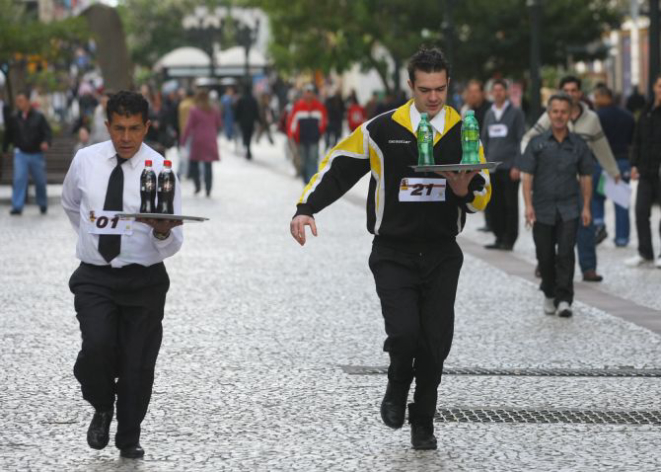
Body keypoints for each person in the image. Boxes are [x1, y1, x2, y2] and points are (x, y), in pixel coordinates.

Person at [290, 47, 491, 450]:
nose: (433, 98)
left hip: (441, 252)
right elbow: (339, 165)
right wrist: (305, 208)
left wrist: (464, 190)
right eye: (424, 89)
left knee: (435, 343)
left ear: (448, 84)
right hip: (393, 252)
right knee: (404, 333)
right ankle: (398, 382)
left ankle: (424, 418)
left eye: (439, 89)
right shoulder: (382, 128)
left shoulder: (463, 130)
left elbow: (483, 194)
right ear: (410, 86)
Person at [61, 91, 183, 459]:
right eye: (118, 128)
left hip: (144, 281)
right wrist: (91, 241)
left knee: (137, 364)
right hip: (95, 277)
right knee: (96, 348)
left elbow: (174, 238)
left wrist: (160, 230)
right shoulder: (85, 161)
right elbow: (70, 204)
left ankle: (129, 436)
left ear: (147, 126)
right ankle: (101, 403)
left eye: (134, 129)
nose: (126, 138)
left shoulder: (160, 170)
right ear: (107, 125)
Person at [521, 76, 620, 282]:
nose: (570, 94)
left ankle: (588, 267)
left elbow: (601, 145)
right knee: (551, 225)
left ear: (580, 93)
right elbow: (530, 139)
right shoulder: (551, 116)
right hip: (555, 180)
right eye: (566, 90)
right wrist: (530, 163)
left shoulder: (591, 118)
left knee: (586, 224)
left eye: (574, 90)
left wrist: (613, 170)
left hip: (582, 180)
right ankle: (546, 263)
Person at [519, 93, 593, 318]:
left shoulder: (579, 145)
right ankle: (549, 293)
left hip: (570, 208)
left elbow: (586, 177)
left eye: (563, 112)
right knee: (545, 255)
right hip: (542, 208)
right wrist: (528, 205)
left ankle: (564, 299)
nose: (559, 116)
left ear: (570, 114)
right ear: (549, 114)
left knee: (566, 253)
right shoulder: (537, 143)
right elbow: (527, 176)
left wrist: (586, 207)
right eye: (555, 111)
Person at [481, 79, 526, 250]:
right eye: (495, 90)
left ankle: (509, 238)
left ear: (506, 92)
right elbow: (485, 138)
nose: (498, 93)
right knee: (494, 204)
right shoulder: (489, 114)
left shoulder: (516, 113)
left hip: (509, 167)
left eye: (501, 90)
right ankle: (498, 236)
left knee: (510, 204)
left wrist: (517, 165)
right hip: (492, 166)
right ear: (492, 93)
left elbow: (521, 139)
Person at [593, 86, 635, 247]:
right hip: (622, 161)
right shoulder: (628, 116)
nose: (595, 100)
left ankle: (598, 225)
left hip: (600, 161)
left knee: (597, 197)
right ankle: (622, 237)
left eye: (597, 97)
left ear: (604, 97)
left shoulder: (596, 117)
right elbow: (632, 140)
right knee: (621, 201)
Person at [626, 75, 661, 268]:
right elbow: (637, 138)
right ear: (654, 88)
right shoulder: (647, 110)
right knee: (641, 211)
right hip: (646, 171)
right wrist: (634, 164)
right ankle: (645, 251)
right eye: (659, 86)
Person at [2, 90, 52, 215]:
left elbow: (47, 132)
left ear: (28, 102)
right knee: (19, 179)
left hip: (36, 154)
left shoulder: (39, 116)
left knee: (40, 181)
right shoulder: (14, 117)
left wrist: (46, 142)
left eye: (21, 101)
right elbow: (8, 134)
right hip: (20, 153)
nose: (19, 104)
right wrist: (5, 148)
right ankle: (17, 206)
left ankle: (42, 203)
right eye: (17, 101)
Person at [462, 79, 492, 233]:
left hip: (489, 153)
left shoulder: (489, 110)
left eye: (476, 92)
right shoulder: (466, 111)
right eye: (470, 92)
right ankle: (489, 222)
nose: (473, 95)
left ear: (482, 93)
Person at [180, 89, 222, 196]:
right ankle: (208, 189)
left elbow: (189, 126)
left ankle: (197, 185)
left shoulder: (194, 110)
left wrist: (183, 140)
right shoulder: (214, 109)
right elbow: (219, 124)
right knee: (208, 165)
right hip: (211, 139)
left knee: (194, 163)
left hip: (198, 139)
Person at [287, 84, 327, 184]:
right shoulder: (298, 106)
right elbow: (292, 122)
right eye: (306, 92)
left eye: (310, 93)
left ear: (313, 94)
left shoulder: (319, 107)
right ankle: (306, 181)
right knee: (303, 161)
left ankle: (312, 182)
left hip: (314, 139)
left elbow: (323, 122)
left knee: (313, 160)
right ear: (303, 94)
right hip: (301, 139)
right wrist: (291, 135)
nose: (308, 95)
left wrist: (319, 133)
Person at [235, 84, 260, 160]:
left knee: (244, 134)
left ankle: (246, 146)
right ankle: (248, 148)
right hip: (251, 121)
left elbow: (237, 111)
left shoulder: (241, 99)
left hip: (243, 121)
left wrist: (236, 119)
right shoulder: (253, 99)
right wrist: (258, 119)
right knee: (249, 135)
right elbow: (256, 111)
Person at [177, 89, 196, 179]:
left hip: (183, 131)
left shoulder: (182, 105)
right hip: (193, 132)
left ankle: (181, 172)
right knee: (192, 154)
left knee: (183, 153)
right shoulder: (194, 105)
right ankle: (190, 172)